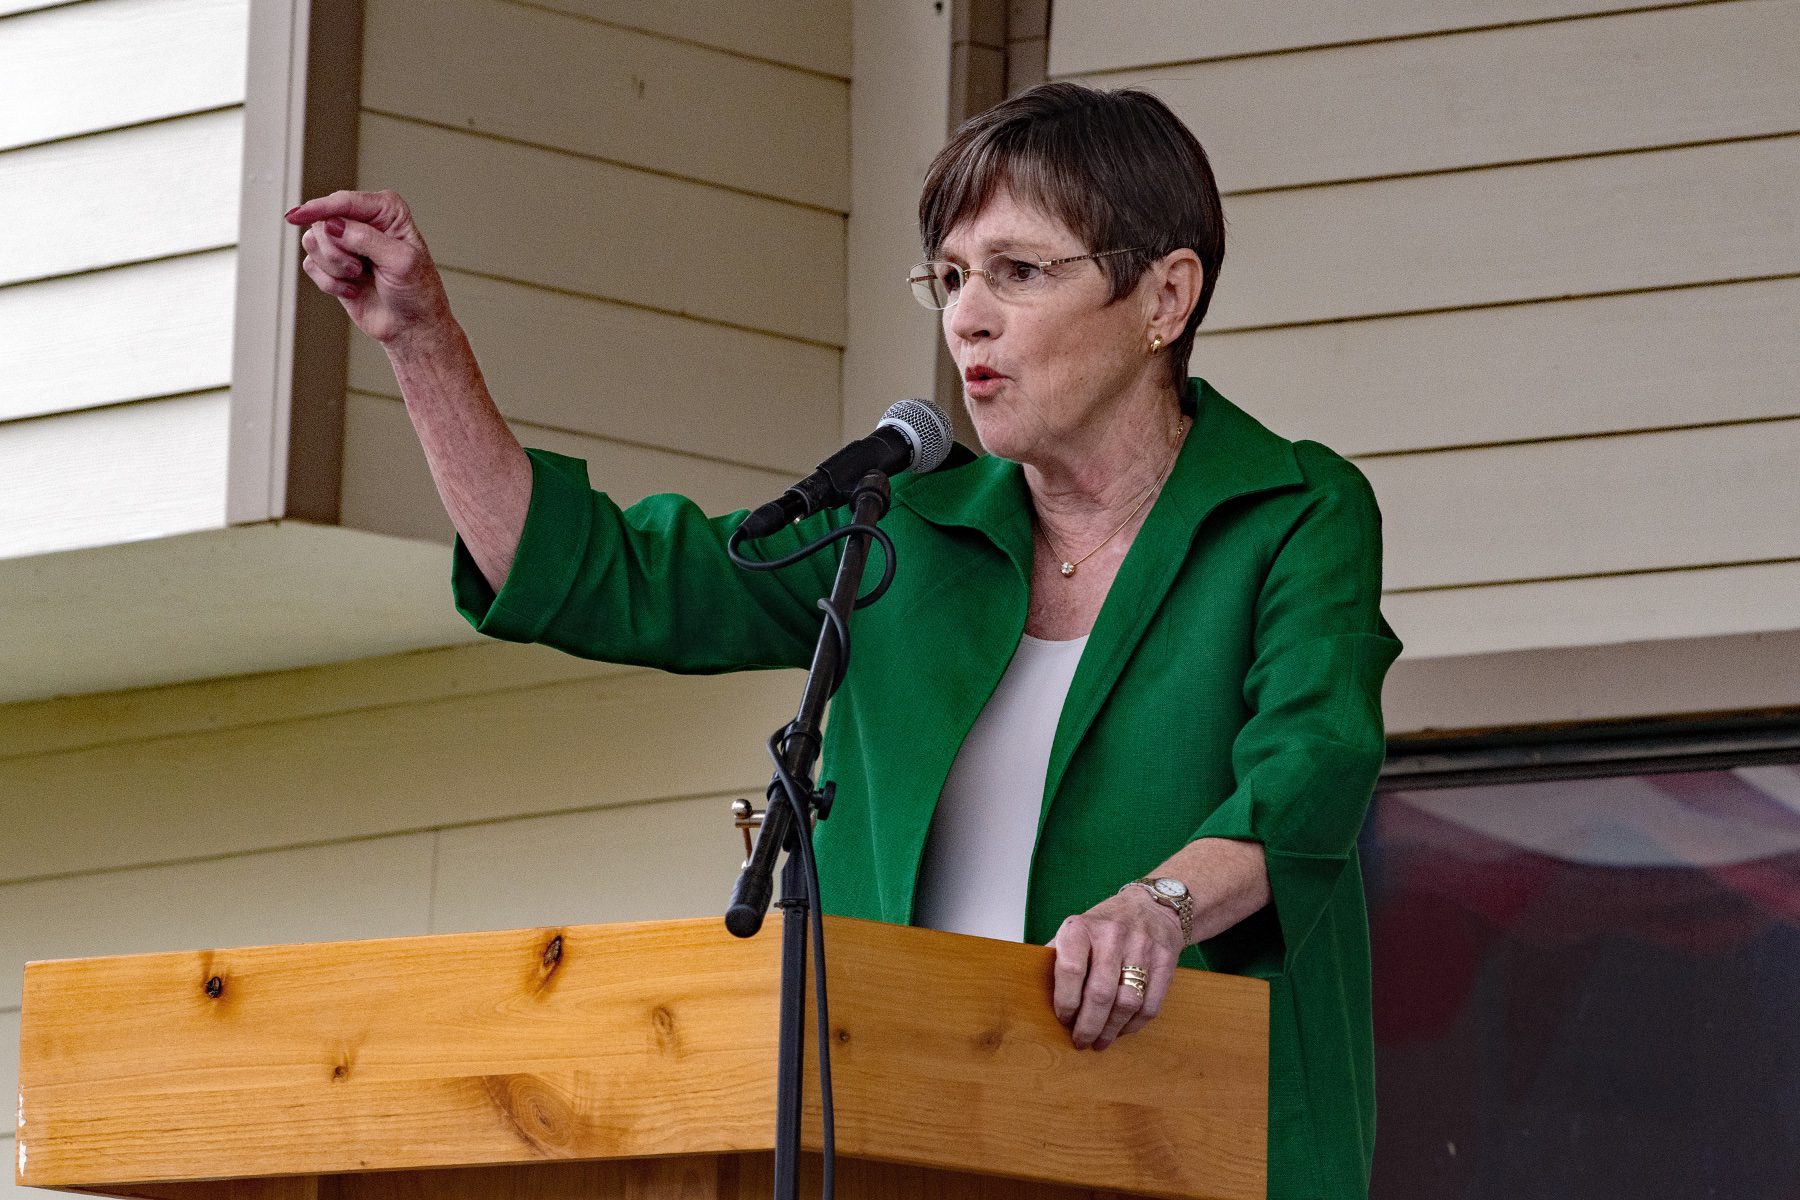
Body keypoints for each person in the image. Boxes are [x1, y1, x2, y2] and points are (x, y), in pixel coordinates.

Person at [287, 82, 1402, 1198]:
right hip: (897, 1149)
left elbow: (1314, 767)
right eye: (952, 277)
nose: (967, 316)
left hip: (1195, 1154)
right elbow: (601, 580)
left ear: (1166, 294)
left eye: (1018, 271)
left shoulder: (1292, 512)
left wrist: (1157, 905)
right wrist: (419, 339)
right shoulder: (902, 531)